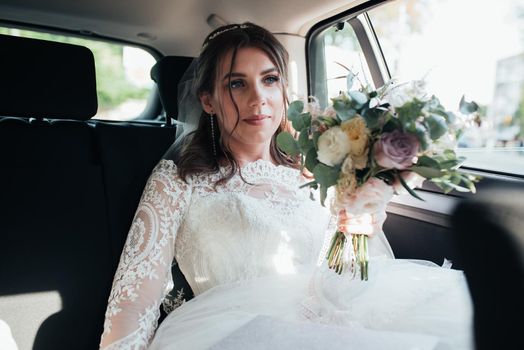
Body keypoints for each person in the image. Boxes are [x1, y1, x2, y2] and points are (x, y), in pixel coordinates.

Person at [99, 23, 473, 350]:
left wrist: (359, 223)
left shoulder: (318, 172)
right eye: (236, 83)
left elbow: (343, 284)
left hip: (330, 331)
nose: (258, 97)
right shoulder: (176, 180)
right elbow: (133, 303)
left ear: (283, 92)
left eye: (270, 79)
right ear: (208, 101)